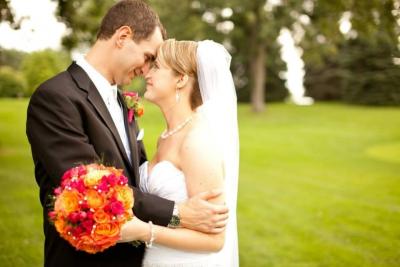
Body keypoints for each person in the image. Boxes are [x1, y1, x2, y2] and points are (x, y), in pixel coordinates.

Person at [26, 1, 228, 266]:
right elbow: (93, 187)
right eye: (148, 57)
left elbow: (133, 178)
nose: (146, 71)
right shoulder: (56, 98)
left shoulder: (124, 102)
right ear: (122, 37)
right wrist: (178, 213)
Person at [119, 39, 239, 267]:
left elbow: (215, 240)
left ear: (181, 79)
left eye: (157, 67)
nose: (147, 74)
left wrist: (145, 231)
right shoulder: (167, 135)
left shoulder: (196, 142)